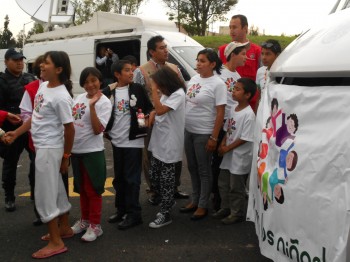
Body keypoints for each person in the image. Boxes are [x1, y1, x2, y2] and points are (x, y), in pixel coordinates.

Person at [4, 51, 75, 259]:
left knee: (44, 195)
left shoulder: (61, 96)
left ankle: (56, 242)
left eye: (47, 64)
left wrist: (65, 156)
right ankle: (64, 229)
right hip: (43, 147)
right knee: (58, 189)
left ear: (59, 70)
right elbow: (36, 117)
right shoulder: (43, 86)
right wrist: (16, 133)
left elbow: (70, 129)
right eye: (42, 63)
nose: (41, 66)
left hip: (49, 149)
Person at [133, 35, 189, 204]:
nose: (166, 50)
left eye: (166, 47)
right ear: (151, 51)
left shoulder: (174, 68)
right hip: (151, 120)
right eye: (162, 48)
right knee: (151, 155)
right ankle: (154, 190)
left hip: (171, 119)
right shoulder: (141, 71)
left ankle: (174, 187)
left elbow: (183, 91)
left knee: (174, 152)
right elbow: (137, 100)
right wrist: (141, 125)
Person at [104, 60, 153, 229]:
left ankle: (134, 214)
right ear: (117, 74)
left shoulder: (137, 89)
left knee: (132, 179)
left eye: (132, 70)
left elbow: (149, 108)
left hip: (133, 140)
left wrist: (145, 119)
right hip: (117, 140)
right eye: (127, 70)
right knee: (119, 178)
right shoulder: (110, 91)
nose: (131, 73)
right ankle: (121, 209)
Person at [180, 49, 226, 220]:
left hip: (204, 133)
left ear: (212, 64)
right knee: (192, 167)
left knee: (204, 169)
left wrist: (214, 137)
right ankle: (195, 198)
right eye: (198, 60)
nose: (198, 63)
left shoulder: (218, 84)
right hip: (189, 130)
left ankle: (203, 205)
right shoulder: (194, 79)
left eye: (203, 61)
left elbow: (220, 112)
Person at [70, 67, 112, 241]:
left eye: (93, 80)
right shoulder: (78, 98)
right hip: (76, 151)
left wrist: (93, 107)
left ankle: (96, 226)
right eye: (86, 81)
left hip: (92, 152)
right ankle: (84, 221)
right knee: (82, 190)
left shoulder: (104, 102)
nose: (90, 85)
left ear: (100, 81)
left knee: (93, 189)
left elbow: (97, 130)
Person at [212, 41, 249, 211]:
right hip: (218, 124)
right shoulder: (219, 73)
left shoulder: (237, 76)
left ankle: (226, 204)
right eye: (242, 53)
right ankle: (218, 201)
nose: (246, 57)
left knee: (225, 165)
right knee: (216, 165)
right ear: (233, 54)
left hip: (231, 125)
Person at [147, 66, 186, 228]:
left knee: (167, 180)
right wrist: (152, 113)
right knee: (154, 176)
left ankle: (165, 212)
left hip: (170, 145)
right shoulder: (167, 94)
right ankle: (167, 202)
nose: (158, 88)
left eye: (159, 84)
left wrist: (154, 90)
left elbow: (161, 110)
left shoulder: (178, 94)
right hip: (159, 142)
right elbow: (157, 110)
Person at [215, 78, 256, 225]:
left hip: (240, 156)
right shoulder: (233, 108)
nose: (234, 91)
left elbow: (245, 138)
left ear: (247, 95)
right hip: (229, 154)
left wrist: (227, 148)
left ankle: (236, 213)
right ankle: (225, 207)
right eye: (234, 88)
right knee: (223, 182)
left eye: (238, 89)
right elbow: (228, 129)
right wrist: (222, 143)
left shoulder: (249, 115)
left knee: (236, 186)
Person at [0, 48, 36, 212]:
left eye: (21, 59)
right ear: (6, 61)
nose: (20, 63)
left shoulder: (30, 78)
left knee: (36, 161)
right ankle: (9, 196)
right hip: (11, 129)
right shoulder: (1, 81)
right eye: (15, 60)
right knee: (10, 163)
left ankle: (36, 192)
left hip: (30, 129)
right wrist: (7, 116)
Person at [19, 54, 46, 226]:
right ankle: (40, 212)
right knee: (37, 177)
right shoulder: (31, 88)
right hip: (36, 142)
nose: (44, 69)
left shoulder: (63, 86)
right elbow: (25, 114)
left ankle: (60, 215)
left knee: (59, 179)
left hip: (57, 143)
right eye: (42, 66)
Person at [218, 14, 261, 112]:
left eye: (235, 27)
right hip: (226, 105)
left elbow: (262, 79)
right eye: (230, 27)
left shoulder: (257, 51)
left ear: (245, 28)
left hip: (250, 105)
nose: (231, 31)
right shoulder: (222, 50)